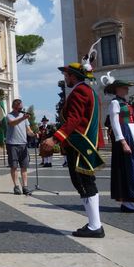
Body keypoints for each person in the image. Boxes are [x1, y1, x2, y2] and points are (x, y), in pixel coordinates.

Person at [41, 62, 105, 238]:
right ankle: (94, 223)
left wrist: (55, 138)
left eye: (66, 75)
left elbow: (74, 120)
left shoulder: (79, 92)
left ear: (73, 76)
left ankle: (95, 226)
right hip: (85, 143)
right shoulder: (89, 91)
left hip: (80, 144)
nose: (65, 78)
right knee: (85, 182)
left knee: (83, 183)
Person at [103, 80, 134, 212]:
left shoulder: (125, 103)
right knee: (126, 168)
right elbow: (115, 123)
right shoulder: (115, 103)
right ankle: (126, 201)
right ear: (117, 89)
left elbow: (133, 122)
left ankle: (130, 199)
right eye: (125, 87)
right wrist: (122, 141)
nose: (127, 89)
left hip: (132, 135)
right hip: (125, 136)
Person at [5, 99, 35, 195]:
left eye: (21, 108)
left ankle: (25, 186)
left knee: (24, 166)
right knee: (14, 166)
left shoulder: (24, 117)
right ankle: (16, 186)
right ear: (14, 107)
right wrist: (23, 118)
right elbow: (13, 123)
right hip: (12, 144)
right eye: (19, 108)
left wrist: (33, 134)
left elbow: (28, 130)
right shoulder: (9, 116)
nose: (21, 110)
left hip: (23, 144)